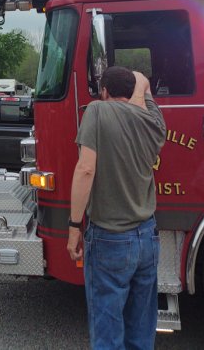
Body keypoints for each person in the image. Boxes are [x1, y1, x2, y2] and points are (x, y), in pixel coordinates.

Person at [67, 66, 166, 350]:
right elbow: (144, 87)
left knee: (108, 329)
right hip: (148, 237)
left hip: (110, 237)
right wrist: (138, 83)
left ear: (104, 92)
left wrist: (74, 227)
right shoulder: (154, 122)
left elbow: (86, 169)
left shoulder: (97, 111)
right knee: (141, 327)